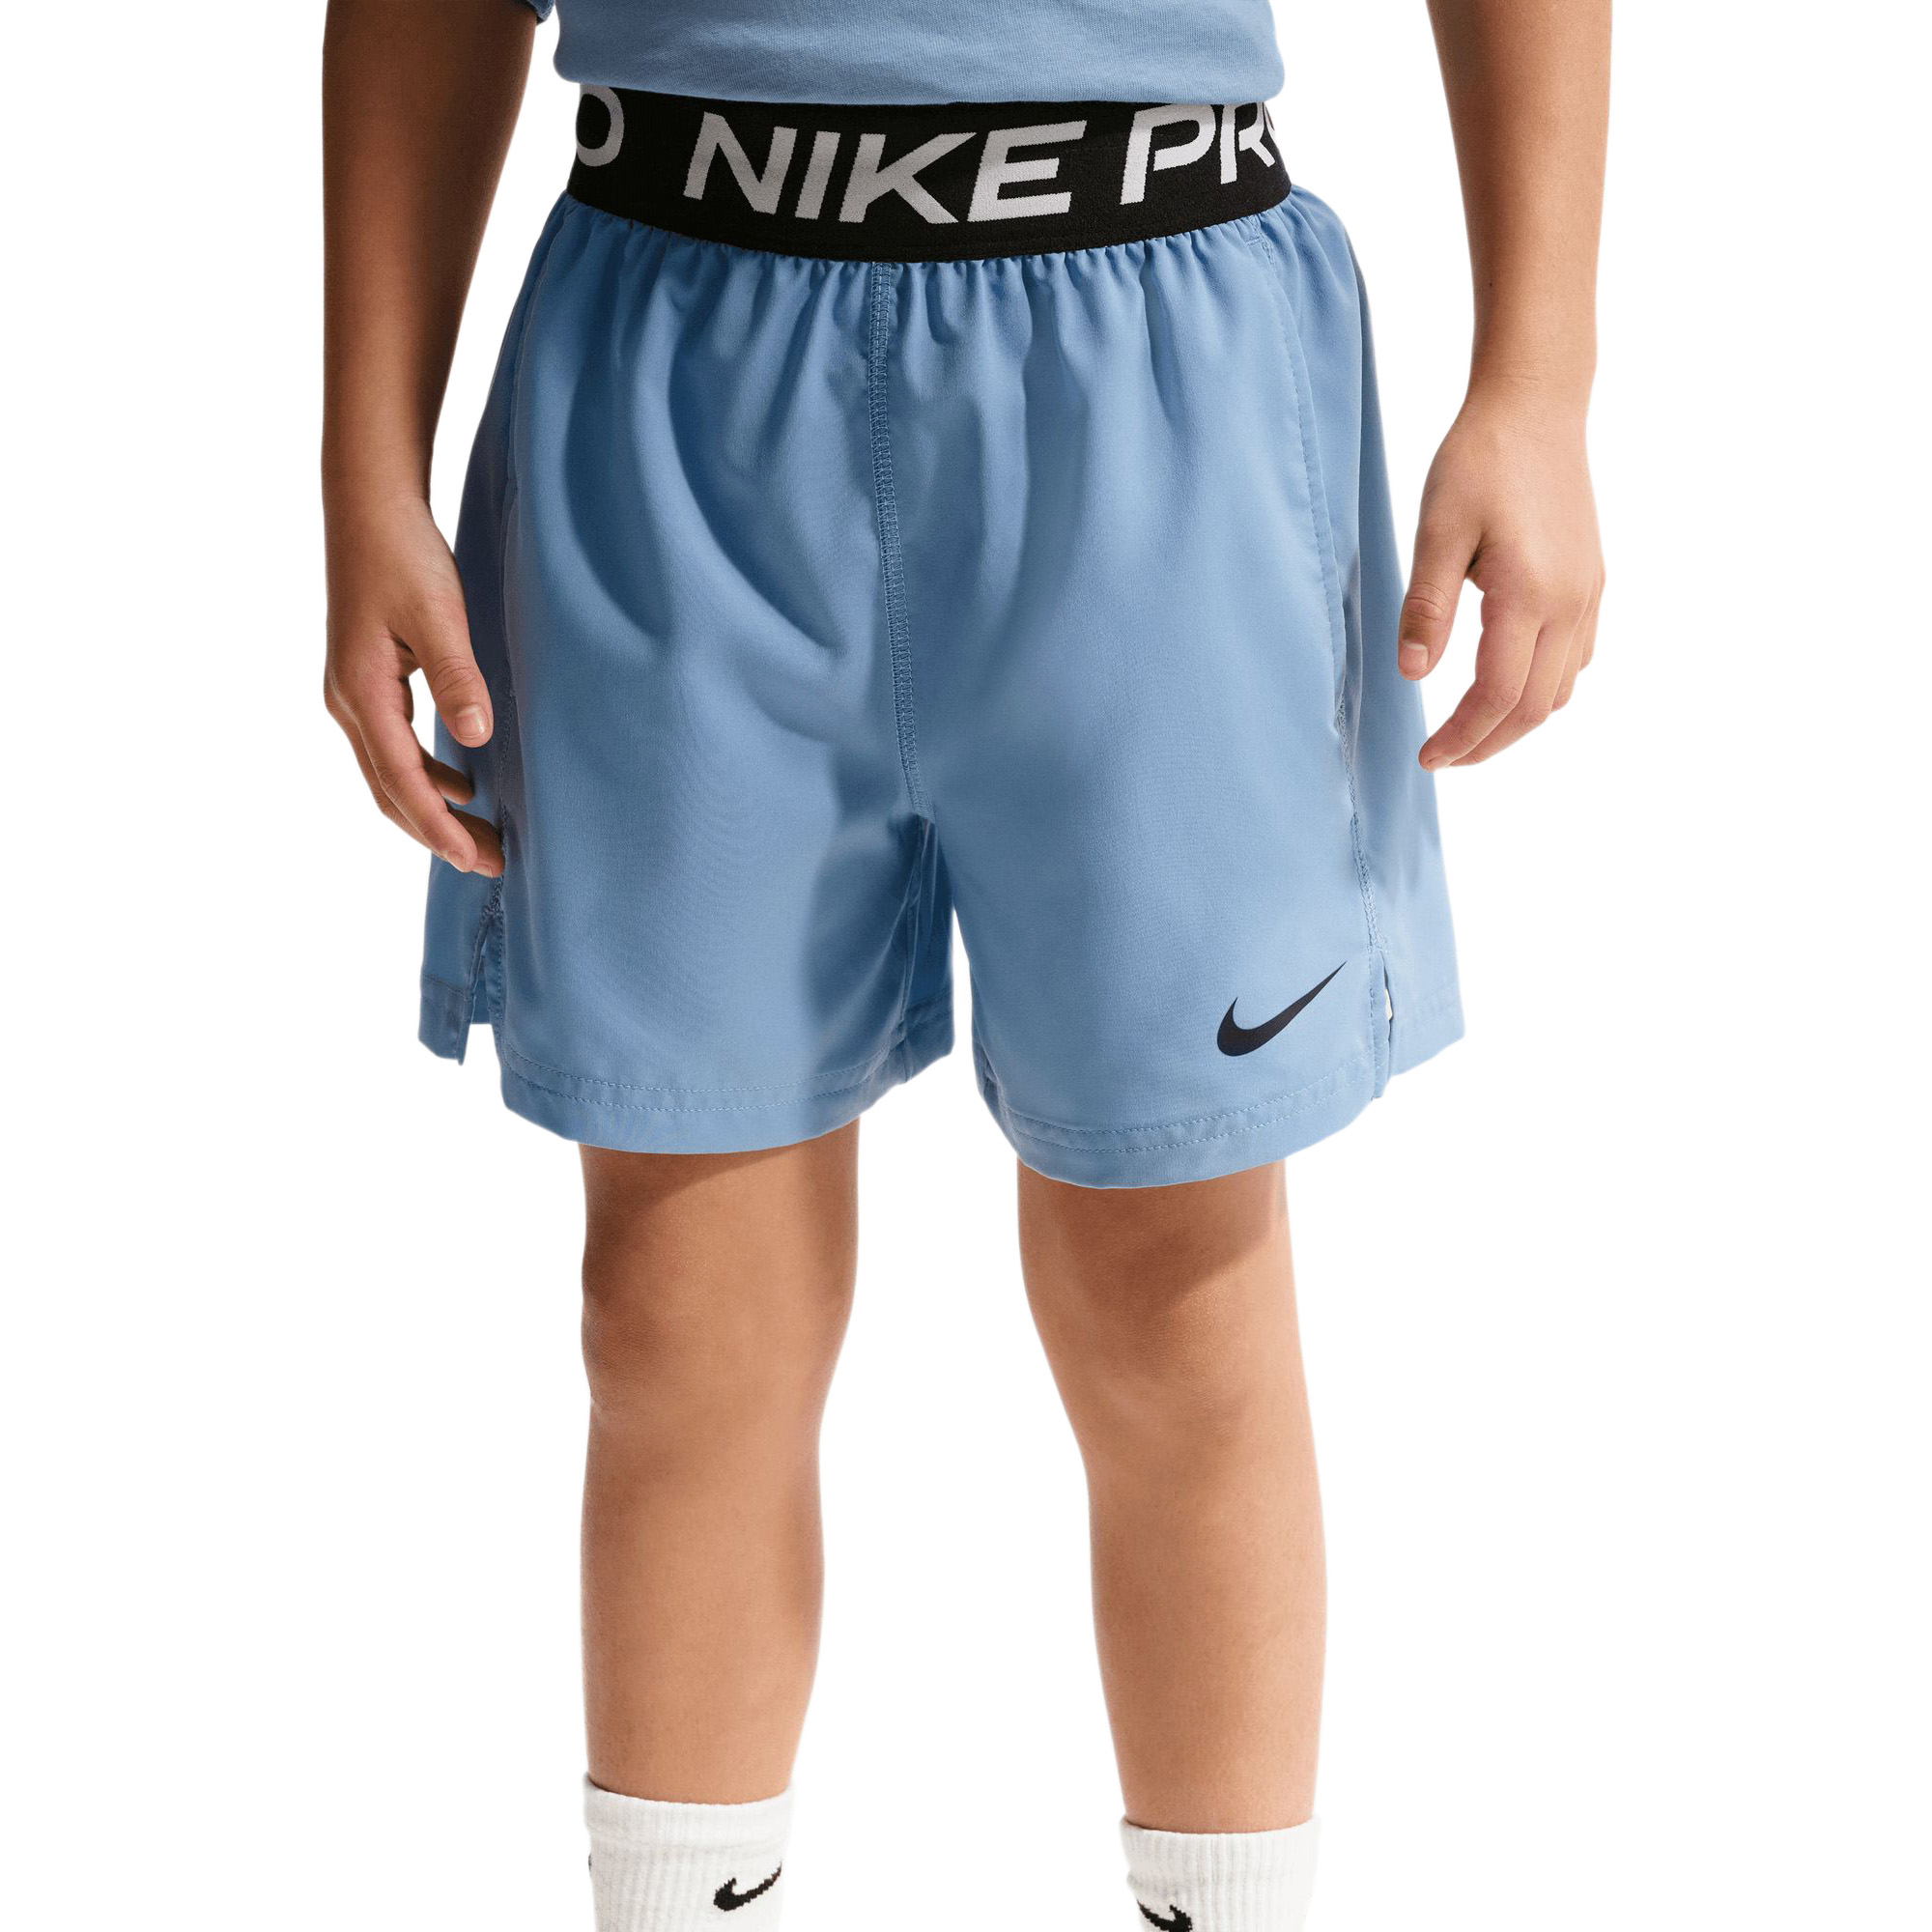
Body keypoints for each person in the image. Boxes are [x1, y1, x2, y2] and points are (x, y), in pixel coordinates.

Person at [321, 1, 1606, 1923]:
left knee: (1174, 1288)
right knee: (675, 1309)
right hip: (675, 349)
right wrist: (365, 460)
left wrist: (1539, 378)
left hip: (1150, 344)